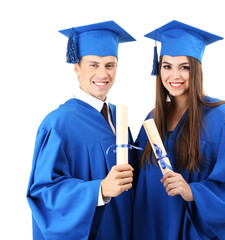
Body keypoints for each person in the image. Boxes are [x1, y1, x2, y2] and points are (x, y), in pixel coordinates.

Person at [133, 20, 225, 240]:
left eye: (184, 67)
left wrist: (193, 192)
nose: (175, 76)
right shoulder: (152, 121)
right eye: (167, 66)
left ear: (197, 70)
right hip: (154, 229)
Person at [26, 21, 136, 240]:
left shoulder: (119, 117)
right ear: (77, 67)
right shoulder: (58, 124)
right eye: (93, 65)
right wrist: (100, 190)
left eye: (110, 65)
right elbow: (44, 194)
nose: (103, 74)